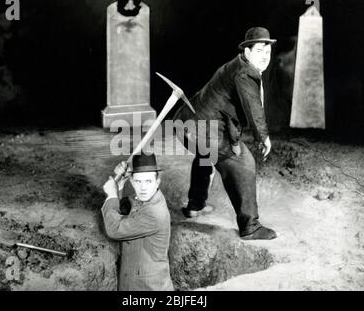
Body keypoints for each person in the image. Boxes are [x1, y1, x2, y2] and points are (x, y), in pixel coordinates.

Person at [173, 27, 277, 240]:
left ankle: (195, 206)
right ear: (247, 51)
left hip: (185, 124)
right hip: (203, 130)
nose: (265, 56)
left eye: (267, 52)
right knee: (244, 163)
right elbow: (254, 108)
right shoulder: (245, 73)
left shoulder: (236, 64)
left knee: (205, 155)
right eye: (259, 51)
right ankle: (251, 227)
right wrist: (263, 137)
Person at [102, 153, 174, 290]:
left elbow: (114, 229)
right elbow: (123, 211)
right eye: (138, 182)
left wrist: (111, 195)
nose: (143, 188)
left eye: (148, 181)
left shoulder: (155, 213)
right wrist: (120, 185)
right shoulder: (147, 198)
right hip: (133, 280)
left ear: (157, 182)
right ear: (132, 181)